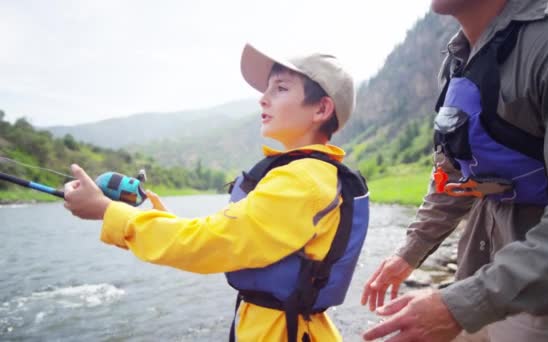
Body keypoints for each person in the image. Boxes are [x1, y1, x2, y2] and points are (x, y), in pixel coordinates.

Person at [63, 43, 370, 342]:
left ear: (321, 108)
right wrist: (161, 222)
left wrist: (108, 211)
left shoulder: (302, 181)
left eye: (280, 88)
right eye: (266, 89)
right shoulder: (307, 175)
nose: (263, 99)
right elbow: (227, 238)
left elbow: (209, 243)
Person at [360, 0, 548, 341]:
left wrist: (460, 305)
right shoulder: (458, 58)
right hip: (480, 277)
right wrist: (410, 252)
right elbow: (454, 172)